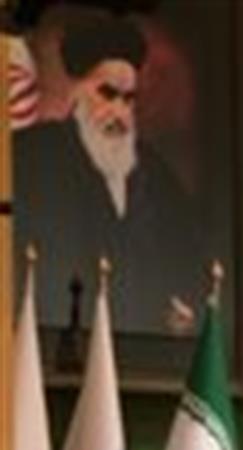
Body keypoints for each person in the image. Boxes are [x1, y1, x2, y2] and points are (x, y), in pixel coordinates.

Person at [12, 10, 206, 338]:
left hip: (141, 351)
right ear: (76, 89)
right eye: (107, 94)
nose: (119, 113)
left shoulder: (155, 174)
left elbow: (189, 267)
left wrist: (184, 309)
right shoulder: (32, 155)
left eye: (129, 100)